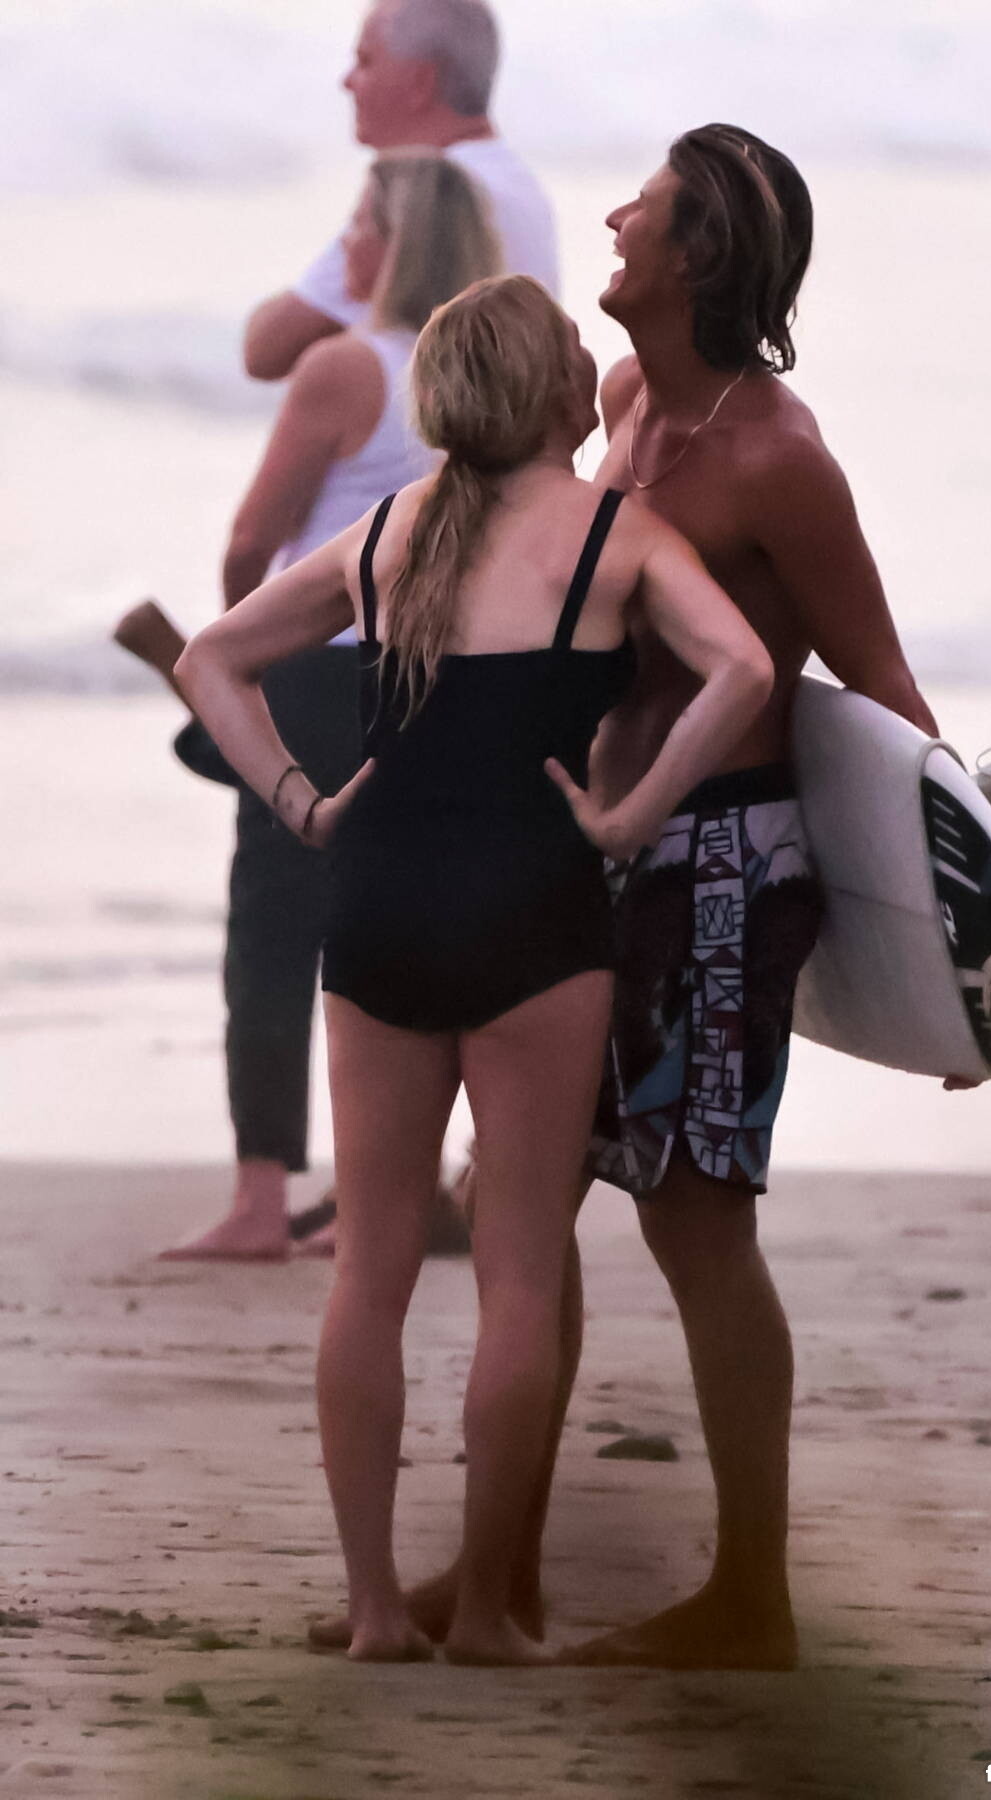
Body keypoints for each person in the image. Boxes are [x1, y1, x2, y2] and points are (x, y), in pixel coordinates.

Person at [323, 125, 943, 1670]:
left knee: (697, 1223)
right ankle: (505, 1572)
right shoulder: (617, 404)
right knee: (524, 1207)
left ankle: (749, 1596)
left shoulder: (777, 458)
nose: (612, 219)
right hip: (585, 862)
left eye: (646, 209)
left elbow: (882, 685)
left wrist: (958, 947)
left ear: (702, 253)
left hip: (722, 862)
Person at [173, 273, 775, 1664]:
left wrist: (296, 802)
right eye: (573, 349)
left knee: (369, 1275)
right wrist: (633, 814)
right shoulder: (613, 535)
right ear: (548, 390)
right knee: (517, 1274)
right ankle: (492, 1612)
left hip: (377, 909)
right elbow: (742, 669)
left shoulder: (387, 531)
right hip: (536, 920)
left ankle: (377, 1608)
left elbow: (212, 657)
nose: (589, 360)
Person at [152, 155, 501, 1261]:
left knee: (274, 928)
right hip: (437, 680)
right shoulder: (488, 383)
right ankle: (382, 1192)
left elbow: (255, 540)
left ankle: (263, 1198)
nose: (343, 245)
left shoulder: (345, 366)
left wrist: (242, 659)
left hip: (319, 674)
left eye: (358, 224)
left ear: (395, 244)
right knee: (400, 932)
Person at [243, 0, 557, 385]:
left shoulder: (426, 193)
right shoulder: (519, 186)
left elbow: (264, 350)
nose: (347, 81)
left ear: (420, 83)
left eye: (365, 61)